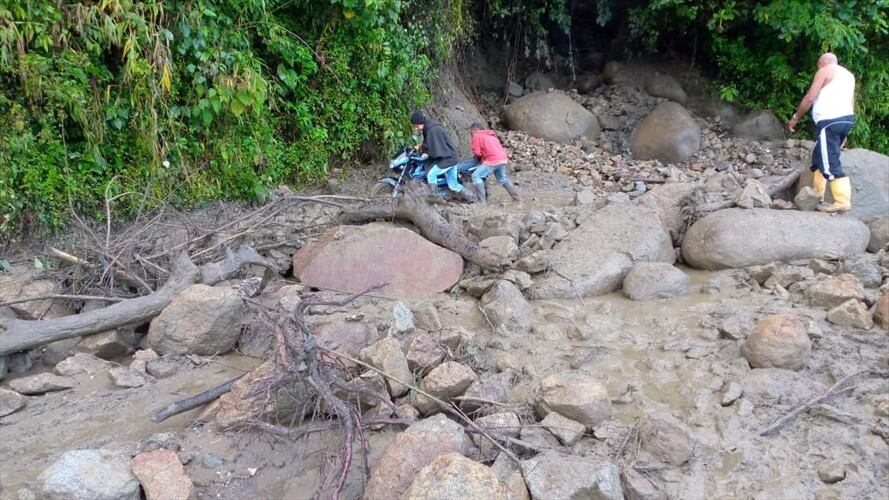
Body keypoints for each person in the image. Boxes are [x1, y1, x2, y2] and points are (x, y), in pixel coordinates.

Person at [787, 52, 855, 212]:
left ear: (821, 63)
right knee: (819, 157)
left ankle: (842, 201)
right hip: (845, 119)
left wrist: (796, 118)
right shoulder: (849, 75)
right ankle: (817, 194)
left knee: (830, 161)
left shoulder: (825, 71)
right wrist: (844, 132)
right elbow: (851, 101)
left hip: (829, 121)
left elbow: (810, 97)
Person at [410, 111, 475, 202]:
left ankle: (434, 199)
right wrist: (421, 146)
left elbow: (436, 148)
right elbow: (429, 142)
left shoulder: (432, 130)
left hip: (447, 159)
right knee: (453, 185)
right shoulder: (429, 127)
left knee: (431, 175)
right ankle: (473, 198)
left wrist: (426, 153)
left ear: (421, 122)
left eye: (417, 126)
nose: (416, 129)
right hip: (451, 157)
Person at [463, 123, 520, 203]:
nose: (471, 134)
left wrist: (478, 160)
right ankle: (516, 198)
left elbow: (477, 153)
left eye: (471, 132)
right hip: (503, 159)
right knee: (502, 178)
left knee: (476, 176)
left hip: (492, 159)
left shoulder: (477, 135)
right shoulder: (492, 136)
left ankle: (481, 203)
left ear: (475, 130)